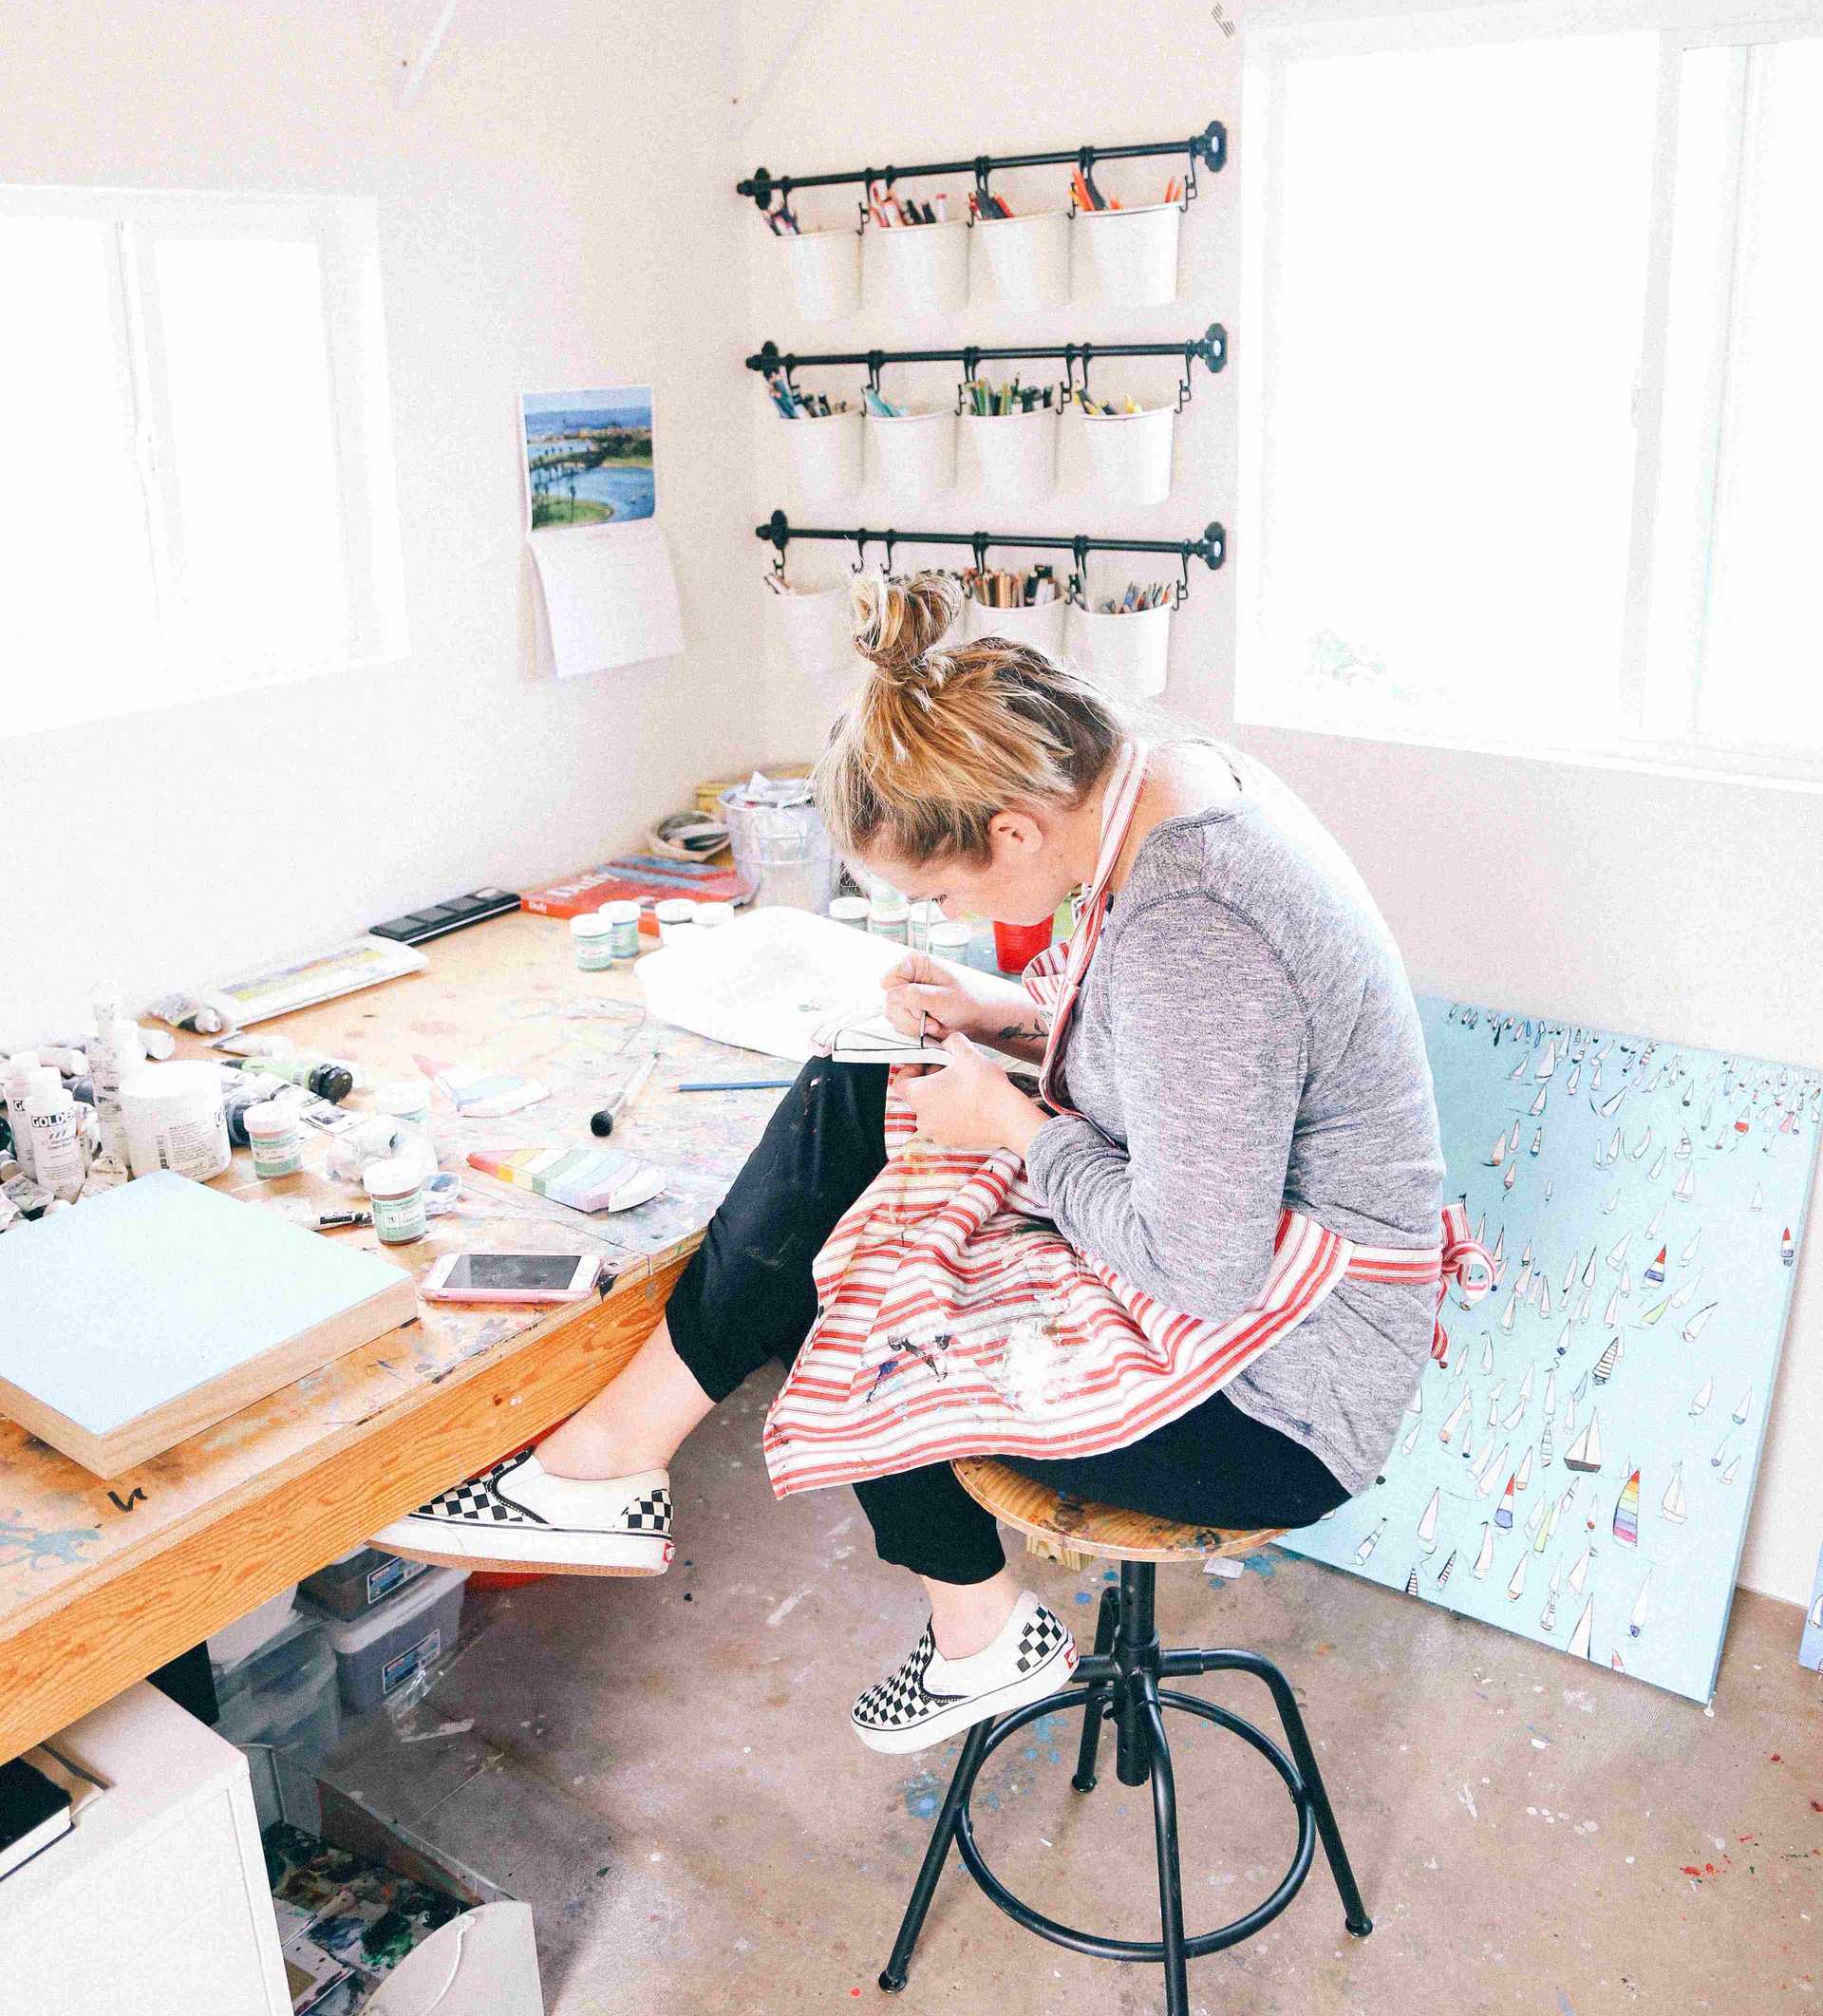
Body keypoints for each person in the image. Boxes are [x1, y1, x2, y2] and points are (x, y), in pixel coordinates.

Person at [379, 574, 1451, 1758]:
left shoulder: (1196, 919)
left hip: (1278, 1396)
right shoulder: (1166, 783)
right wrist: (1005, 1011)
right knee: (857, 1090)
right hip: (1241, 1261)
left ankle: (924, 1604)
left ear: (1015, 830)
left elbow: (1201, 1263)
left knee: (860, 1280)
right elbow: (1185, 1066)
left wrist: (1014, 1127)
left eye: (940, 891)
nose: (940, 908)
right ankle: (624, 1464)